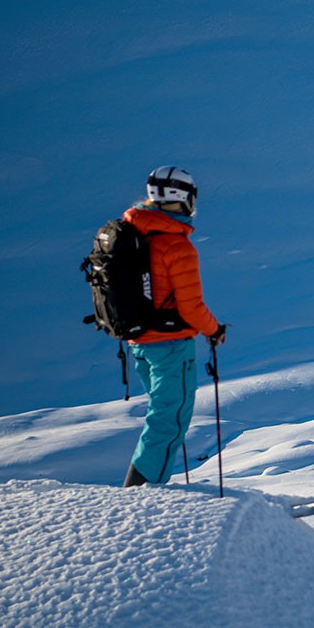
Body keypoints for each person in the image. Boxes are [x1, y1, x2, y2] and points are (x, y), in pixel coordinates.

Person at [121, 166, 226, 487]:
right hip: (170, 345)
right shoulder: (175, 245)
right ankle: (140, 497)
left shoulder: (132, 233)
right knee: (169, 422)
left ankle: (141, 492)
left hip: (138, 342)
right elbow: (190, 306)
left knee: (161, 416)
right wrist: (214, 330)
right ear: (183, 197)